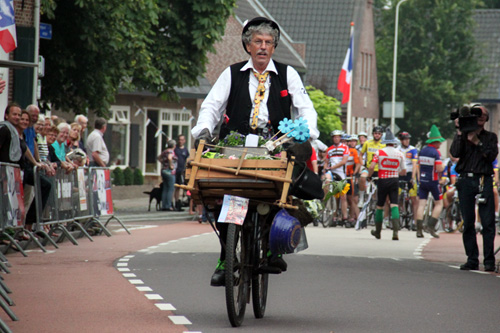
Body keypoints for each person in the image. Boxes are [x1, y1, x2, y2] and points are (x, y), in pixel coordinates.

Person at [191, 17, 318, 287]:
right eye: (258, 41)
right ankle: (227, 257)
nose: (263, 47)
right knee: (225, 192)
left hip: (274, 146)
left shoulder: (287, 74)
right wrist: (202, 131)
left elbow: (305, 108)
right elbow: (211, 107)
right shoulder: (232, 73)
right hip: (234, 146)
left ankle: (273, 247)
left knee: (280, 190)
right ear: (248, 46)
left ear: (274, 47)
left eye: (268, 42)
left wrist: (306, 134)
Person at [450, 105, 498, 272]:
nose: (479, 117)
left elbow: (491, 155)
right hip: (465, 181)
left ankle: (489, 260)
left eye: (482, 114)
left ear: (486, 119)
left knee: (488, 223)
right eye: (475, 114)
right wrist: (459, 132)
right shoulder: (462, 135)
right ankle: (472, 258)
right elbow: (455, 153)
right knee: (468, 221)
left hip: (483, 179)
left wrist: (477, 142)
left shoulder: (491, 137)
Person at [0, 104, 53, 232]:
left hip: (19, 171)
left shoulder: (19, 132)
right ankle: (10, 231)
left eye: (21, 116)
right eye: (16, 115)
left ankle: (25, 225)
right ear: (7, 115)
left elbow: (26, 148)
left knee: (43, 186)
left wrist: (36, 162)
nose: (20, 119)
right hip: (8, 171)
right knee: (8, 203)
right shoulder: (6, 129)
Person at [368, 128, 406, 240]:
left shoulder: (379, 152)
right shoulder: (399, 154)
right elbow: (403, 171)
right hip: (394, 180)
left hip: (382, 180)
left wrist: (369, 176)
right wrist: (395, 171)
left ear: (384, 142)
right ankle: (395, 232)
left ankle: (378, 231)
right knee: (394, 204)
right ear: (394, 142)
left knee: (380, 205)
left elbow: (371, 166)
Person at [415, 125, 445, 238]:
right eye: (439, 142)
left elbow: (419, 165)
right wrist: (443, 166)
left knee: (421, 204)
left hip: (422, 181)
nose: (440, 144)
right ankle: (430, 226)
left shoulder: (422, 151)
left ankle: (418, 230)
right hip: (433, 181)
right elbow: (439, 169)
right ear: (436, 142)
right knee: (439, 204)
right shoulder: (435, 153)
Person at [326, 130, 349, 226]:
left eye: (338, 137)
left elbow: (344, 161)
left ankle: (345, 217)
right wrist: (325, 169)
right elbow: (326, 162)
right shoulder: (329, 149)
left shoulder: (345, 148)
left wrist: (332, 167)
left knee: (343, 197)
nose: (336, 138)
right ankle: (333, 216)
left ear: (340, 138)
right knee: (333, 195)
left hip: (341, 174)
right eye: (334, 137)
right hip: (331, 173)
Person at [358, 126, 385, 208]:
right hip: (368, 168)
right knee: (362, 177)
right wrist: (362, 163)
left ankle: (376, 202)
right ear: (373, 134)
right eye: (375, 133)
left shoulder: (384, 145)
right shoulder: (367, 143)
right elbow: (360, 155)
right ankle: (361, 199)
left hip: (379, 170)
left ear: (381, 135)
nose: (377, 135)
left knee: (378, 189)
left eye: (379, 134)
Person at [397, 131, 419, 229]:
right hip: (400, 174)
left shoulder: (413, 149)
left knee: (414, 199)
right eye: (405, 139)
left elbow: (415, 164)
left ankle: (415, 222)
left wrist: (413, 177)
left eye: (408, 139)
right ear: (401, 141)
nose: (407, 141)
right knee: (397, 197)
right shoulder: (397, 150)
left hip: (410, 173)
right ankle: (397, 220)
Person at [346, 134, 361, 227]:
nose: (352, 143)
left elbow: (358, 164)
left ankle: (356, 217)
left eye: (354, 141)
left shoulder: (355, 151)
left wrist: (355, 173)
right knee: (347, 198)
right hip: (344, 175)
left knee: (352, 198)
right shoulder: (346, 150)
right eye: (350, 141)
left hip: (352, 176)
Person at [158, 139, 177, 211]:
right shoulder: (171, 151)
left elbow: (159, 157)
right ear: (174, 146)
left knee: (165, 188)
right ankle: (168, 205)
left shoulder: (165, 151)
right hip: (170, 172)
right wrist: (170, 165)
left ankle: (164, 205)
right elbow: (170, 158)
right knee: (170, 189)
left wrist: (163, 163)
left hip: (163, 170)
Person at [173, 134, 189, 211]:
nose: (180, 141)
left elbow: (187, 159)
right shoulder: (175, 149)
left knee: (182, 186)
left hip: (182, 171)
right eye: (179, 140)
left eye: (182, 140)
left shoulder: (185, 150)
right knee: (177, 187)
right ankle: (176, 202)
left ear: (184, 141)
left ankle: (181, 201)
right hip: (176, 170)